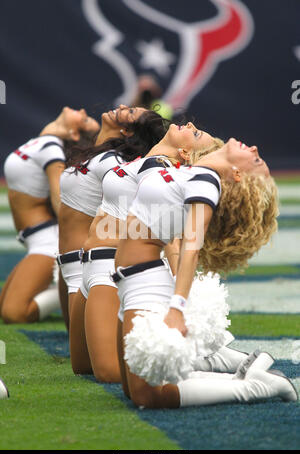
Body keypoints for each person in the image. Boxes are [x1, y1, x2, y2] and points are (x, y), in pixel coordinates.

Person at [112, 125, 298, 408]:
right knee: (131, 389)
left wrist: (176, 308)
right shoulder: (191, 170)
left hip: (145, 281)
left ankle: (256, 387)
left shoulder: (206, 180)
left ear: (237, 174)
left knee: (147, 396)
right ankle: (240, 375)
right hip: (129, 280)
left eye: (256, 160)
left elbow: (191, 246)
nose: (256, 149)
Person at [69, 122, 225, 382]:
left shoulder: (164, 169)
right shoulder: (147, 160)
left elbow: (172, 239)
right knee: (81, 367)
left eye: (195, 133)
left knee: (109, 373)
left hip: (109, 270)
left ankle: (214, 364)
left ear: (185, 153)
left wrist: (183, 294)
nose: (190, 124)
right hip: (90, 265)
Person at [58, 104, 171, 337]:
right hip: (71, 263)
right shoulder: (98, 153)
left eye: (129, 113)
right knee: (82, 366)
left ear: (128, 132)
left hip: (90, 264)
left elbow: (136, 200)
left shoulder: (113, 162)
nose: (121, 106)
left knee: (107, 368)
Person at [0, 107, 99, 324]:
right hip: (37, 240)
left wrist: (69, 240)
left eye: (83, 119)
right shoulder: (43, 143)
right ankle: (66, 286)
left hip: (48, 243)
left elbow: (60, 198)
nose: (82, 110)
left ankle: (72, 290)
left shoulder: (52, 150)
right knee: (2, 305)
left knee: (13, 313)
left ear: (74, 134)